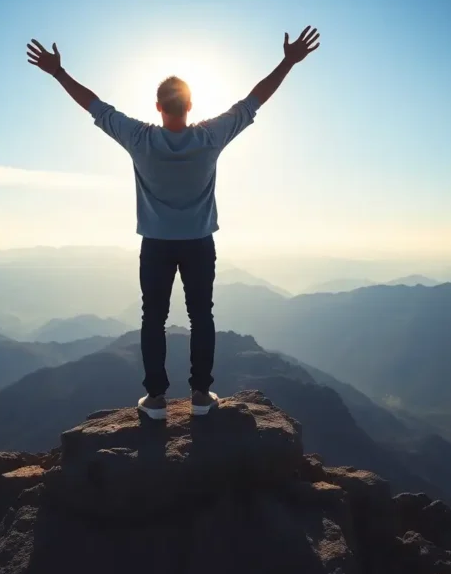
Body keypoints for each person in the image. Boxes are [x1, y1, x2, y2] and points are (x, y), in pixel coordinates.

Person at [26, 26, 320, 419]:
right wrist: (288, 61)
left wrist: (59, 73)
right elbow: (254, 100)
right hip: (199, 242)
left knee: (153, 317)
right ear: (191, 104)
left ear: (158, 106)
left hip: (156, 244)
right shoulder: (210, 137)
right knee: (202, 314)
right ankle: (201, 396)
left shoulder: (140, 138)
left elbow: (94, 106)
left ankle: (157, 401)